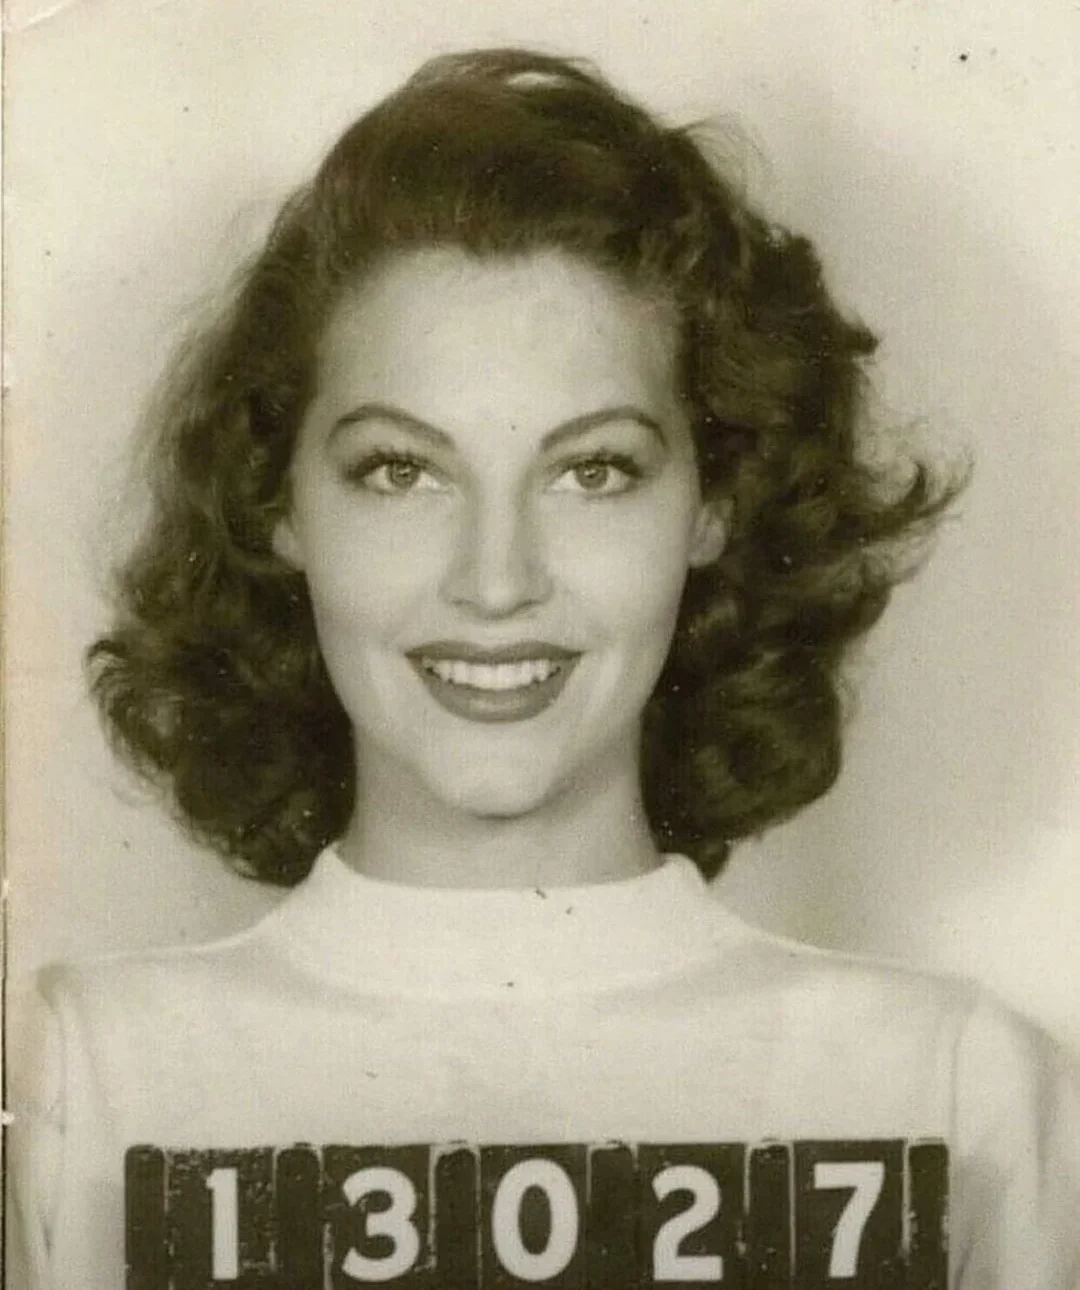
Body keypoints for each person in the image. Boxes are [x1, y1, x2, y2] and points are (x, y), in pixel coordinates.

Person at [8, 47, 1079, 1290]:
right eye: (400, 470)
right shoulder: (79, 1089)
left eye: (595, 469)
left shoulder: (958, 1096)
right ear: (278, 503)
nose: (498, 578)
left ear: (716, 501)